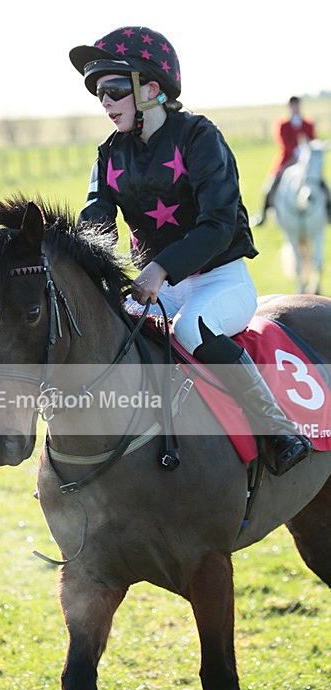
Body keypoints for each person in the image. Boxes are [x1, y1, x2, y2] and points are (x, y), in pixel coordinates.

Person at [69, 26, 310, 475]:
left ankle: (278, 428)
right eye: (99, 93)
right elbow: (95, 225)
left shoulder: (199, 136)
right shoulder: (108, 155)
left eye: (115, 90)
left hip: (221, 281)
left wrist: (160, 269)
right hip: (153, 287)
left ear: (152, 89)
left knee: (191, 330)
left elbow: (219, 225)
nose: (105, 102)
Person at [252, 96, 330, 226]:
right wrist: (298, 149)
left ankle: (328, 213)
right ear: (289, 107)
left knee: (323, 185)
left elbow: (312, 140)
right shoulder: (283, 125)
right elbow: (284, 143)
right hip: (287, 160)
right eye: (293, 105)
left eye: (297, 105)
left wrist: (309, 149)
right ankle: (262, 216)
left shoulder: (308, 124)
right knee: (269, 187)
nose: (295, 108)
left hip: (305, 162)